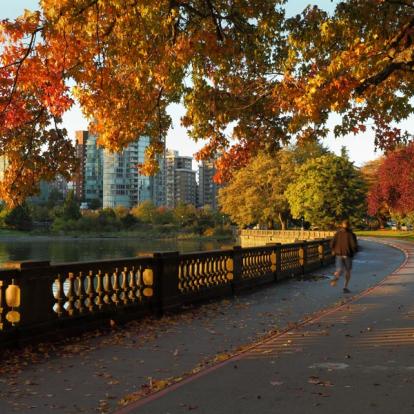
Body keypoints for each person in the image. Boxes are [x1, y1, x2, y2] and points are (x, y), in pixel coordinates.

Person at [330, 219, 358, 293]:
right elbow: (354, 246)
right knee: (347, 271)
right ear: (349, 225)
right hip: (347, 255)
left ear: (342, 225)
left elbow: (332, 243)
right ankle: (345, 287)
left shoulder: (337, 233)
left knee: (339, 269)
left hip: (338, 254)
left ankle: (335, 277)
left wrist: (333, 250)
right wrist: (354, 252)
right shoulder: (351, 234)